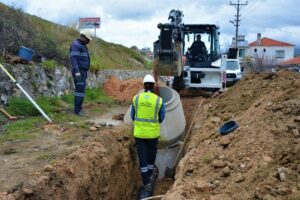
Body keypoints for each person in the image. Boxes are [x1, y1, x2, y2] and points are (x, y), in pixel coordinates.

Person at [130, 74, 165, 198]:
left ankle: (146, 182)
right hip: (153, 135)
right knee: (151, 158)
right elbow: (161, 118)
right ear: (154, 86)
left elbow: (132, 116)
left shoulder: (136, 99)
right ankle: (149, 178)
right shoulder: (159, 100)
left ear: (144, 86)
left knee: (142, 159)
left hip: (139, 134)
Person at [69, 29, 93, 116]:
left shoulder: (82, 46)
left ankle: (79, 109)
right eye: (88, 39)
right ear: (83, 37)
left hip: (83, 71)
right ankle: (77, 110)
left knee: (81, 90)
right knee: (79, 91)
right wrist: (77, 72)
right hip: (79, 71)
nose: (89, 41)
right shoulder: (76, 45)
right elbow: (73, 59)